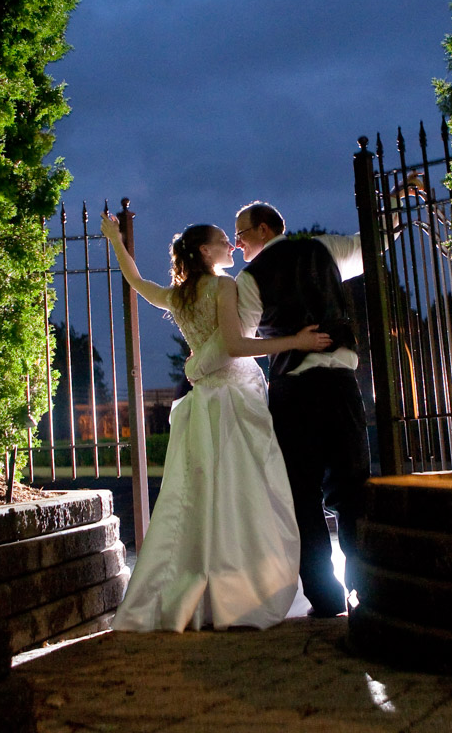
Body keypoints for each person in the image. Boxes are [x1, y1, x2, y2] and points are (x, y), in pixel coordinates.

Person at [101, 213, 332, 632]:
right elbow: (236, 345)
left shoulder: (178, 296)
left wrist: (115, 240)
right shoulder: (223, 286)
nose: (232, 246)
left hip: (204, 403)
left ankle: (206, 590)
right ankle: (242, 590)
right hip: (235, 402)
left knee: (204, 499)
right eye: (225, 241)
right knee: (248, 494)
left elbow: (136, 282)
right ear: (206, 252)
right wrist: (296, 341)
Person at [186, 201, 370, 618]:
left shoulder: (251, 279)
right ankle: (365, 590)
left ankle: (324, 599)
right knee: (352, 490)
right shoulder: (325, 248)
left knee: (301, 496)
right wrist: (394, 204)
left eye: (242, 234)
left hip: (293, 393)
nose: (237, 242)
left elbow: (242, 341)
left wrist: (199, 362)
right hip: (341, 385)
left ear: (265, 229)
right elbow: (373, 243)